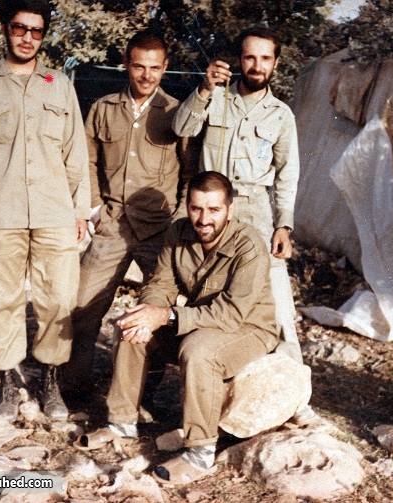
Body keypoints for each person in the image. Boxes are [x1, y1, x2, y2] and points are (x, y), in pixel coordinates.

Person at [75, 171, 279, 485]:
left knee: (198, 351)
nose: (204, 219)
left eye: (214, 210)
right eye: (196, 208)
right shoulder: (178, 232)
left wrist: (167, 316)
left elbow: (231, 313)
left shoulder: (248, 245)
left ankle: (200, 451)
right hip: (202, 320)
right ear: (187, 206)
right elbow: (160, 285)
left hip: (248, 328)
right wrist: (149, 311)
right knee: (132, 324)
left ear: (230, 209)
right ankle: (121, 423)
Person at [0, 0, 89, 422]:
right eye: (19, 28)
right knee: (2, 299)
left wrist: (80, 210)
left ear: (43, 35)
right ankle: (9, 382)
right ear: (5, 29)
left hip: (55, 211)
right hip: (2, 212)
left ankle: (50, 379)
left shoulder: (58, 84)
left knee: (59, 299)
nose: (27, 38)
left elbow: (76, 153)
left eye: (36, 30)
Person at [61, 29, 196, 395]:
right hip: (112, 226)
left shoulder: (177, 114)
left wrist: (178, 221)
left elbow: (190, 173)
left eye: (154, 67)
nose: (146, 75)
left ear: (165, 67)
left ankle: (146, 386)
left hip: (159, 230)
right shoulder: (103, 108)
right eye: (139, 66)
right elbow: (86, 162)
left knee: (159, 309)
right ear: (126, 65)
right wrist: (93, 209)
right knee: (82, 306)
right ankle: (73, 386)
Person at [171, 26, 305, 365]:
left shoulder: (281, 114)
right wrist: (204, 88)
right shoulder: (215, 97)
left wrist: (283, 225)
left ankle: (289, 361)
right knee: (197, 275)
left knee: (272, 280)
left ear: (276, 63)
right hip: (210, 207)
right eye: (249, 57)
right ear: (239, 60)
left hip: (254, 206)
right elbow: (181, 128)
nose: (257, 66)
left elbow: (287, 173)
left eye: (265, 58)